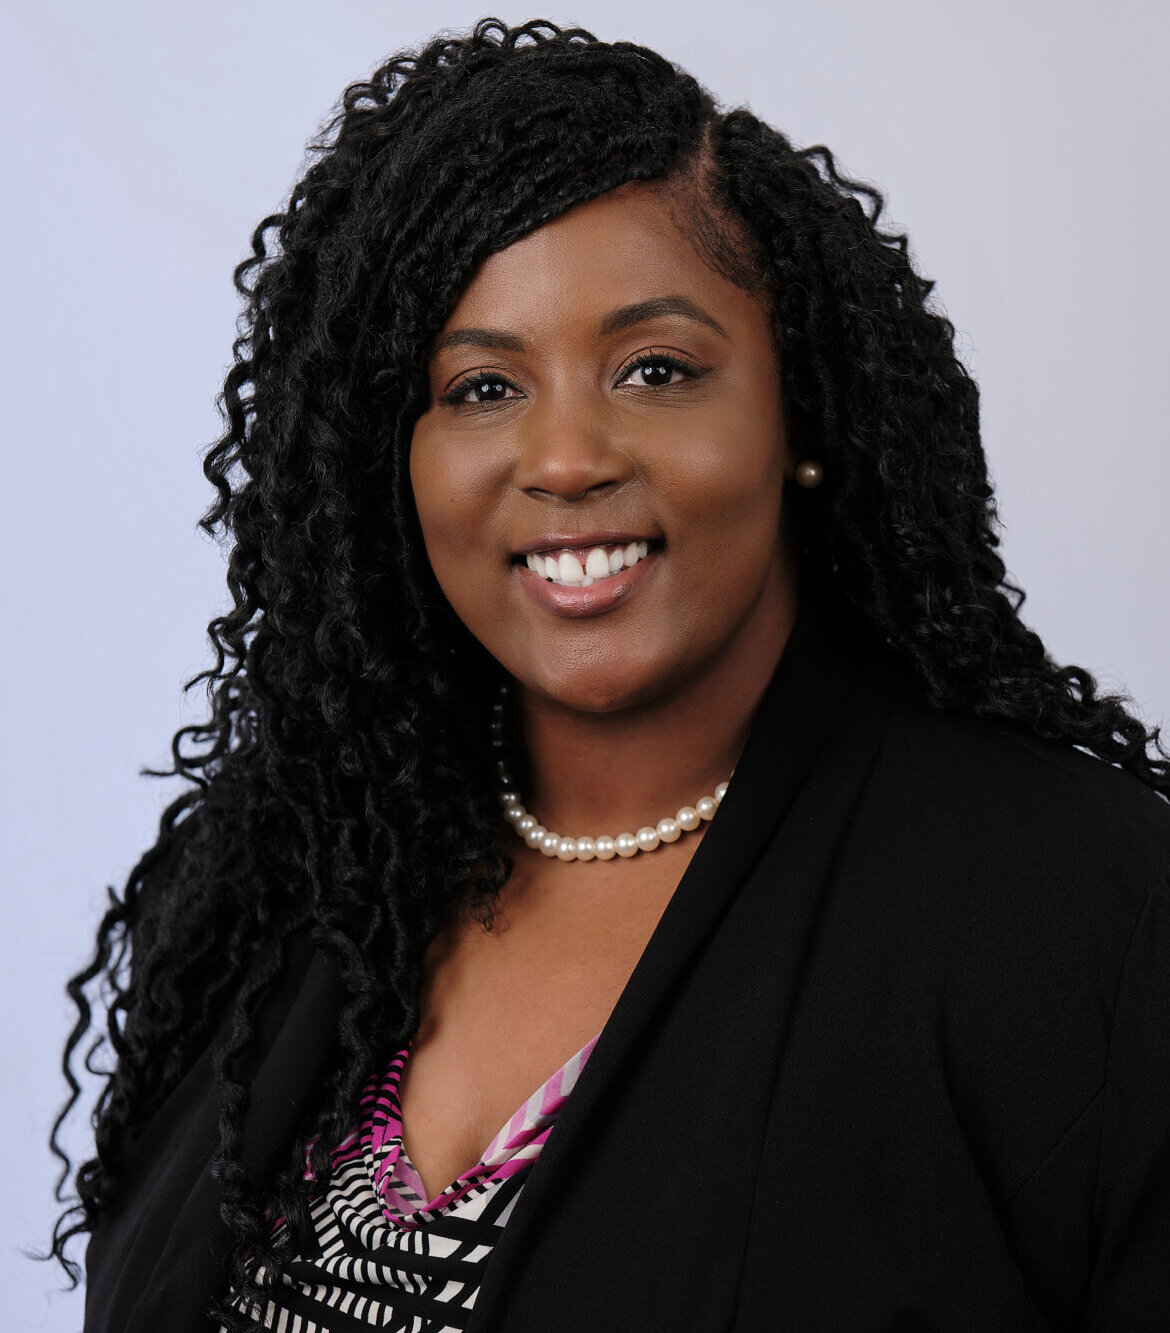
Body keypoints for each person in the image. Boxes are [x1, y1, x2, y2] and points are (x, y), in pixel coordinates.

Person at [51, 17, 1169, 1333]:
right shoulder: (275, 881)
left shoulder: (1084, 916)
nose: (566, 455)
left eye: (656, 368)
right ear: (390, 459)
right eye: (480, 387)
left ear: (797, 409)